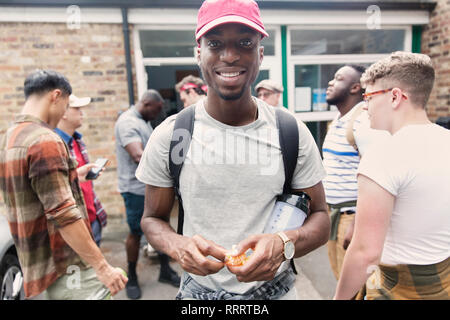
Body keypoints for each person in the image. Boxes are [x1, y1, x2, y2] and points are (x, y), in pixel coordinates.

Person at [137, 0, 330, 300]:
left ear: (260, 54)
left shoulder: (290, 131)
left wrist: (284, 243)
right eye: (215, 43)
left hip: (274, 294)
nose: (229, 55)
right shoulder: (171, 135)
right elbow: (152, 219)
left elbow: (320, 218)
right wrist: (177, 245)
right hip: (198, 296)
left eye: (244, 43)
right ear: (199, 53)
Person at [0, 70, 127, 299]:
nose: (63, 114)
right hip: (63, 267)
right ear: (55, 96)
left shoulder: (10, 136)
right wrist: (102, 267)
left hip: (35, 267)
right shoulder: (45, 139)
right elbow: (63, 214)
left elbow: (31, 190)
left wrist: (73, 175)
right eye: (67, 105)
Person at [334, 52, 450, 300]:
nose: (365, 106)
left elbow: (365, 252)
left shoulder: (382, 155)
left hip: (398, 290)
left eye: (369, 97)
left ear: (395, 97)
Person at [322, 65, 388, 280]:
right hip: (334, 217)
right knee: (339, 278)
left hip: (352, 219)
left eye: (338, 78)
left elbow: (380, 176)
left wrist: (358, 224)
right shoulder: (338, 121)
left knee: (355, 285)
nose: (331, 82)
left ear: (355, 87)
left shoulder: (363, 122)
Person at [114, 89, 181, 300]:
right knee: (136, 232)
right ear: (146, 104)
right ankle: (132, 276)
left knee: (161, 225)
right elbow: (137, 154)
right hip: (135, 189)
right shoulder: (128, 123)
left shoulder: (144, 121)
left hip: (152, 187)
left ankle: (165, 271)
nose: (158, 115)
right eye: (157, 110)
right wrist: (173, 165)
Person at [55, 94, 107, 247]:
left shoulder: (77, 140)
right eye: (77, 108)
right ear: (63, 113)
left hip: (92, 217)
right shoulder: (55, 145)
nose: (81, 113)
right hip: (76, 225)